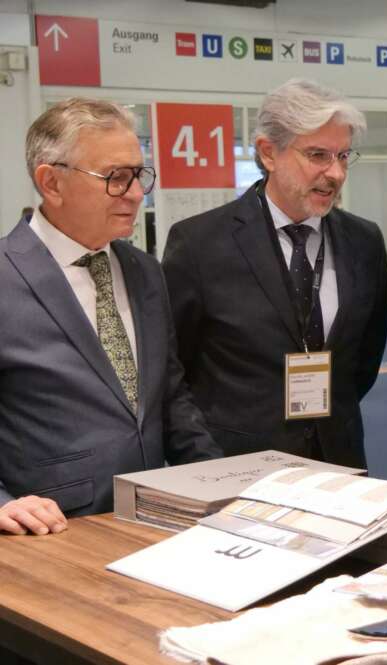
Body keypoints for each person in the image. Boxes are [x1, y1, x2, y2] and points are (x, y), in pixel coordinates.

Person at [0, 98, 220, 534]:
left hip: (151, 523)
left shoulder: (144, 271)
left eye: (139, 176)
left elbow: (171, 396)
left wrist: (221, 484)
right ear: (52, 183)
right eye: (116, 178)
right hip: (49, 537)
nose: (137, 194)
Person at [162, 79, 387, 468]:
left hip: (339, 461)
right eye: (318, 155)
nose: (335, 173)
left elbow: (364, 361)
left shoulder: (363, 241)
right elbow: (172, 371)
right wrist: (201, 458)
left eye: (343, 156)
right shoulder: (200, 244)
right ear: (269, 153)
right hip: (234, 467)